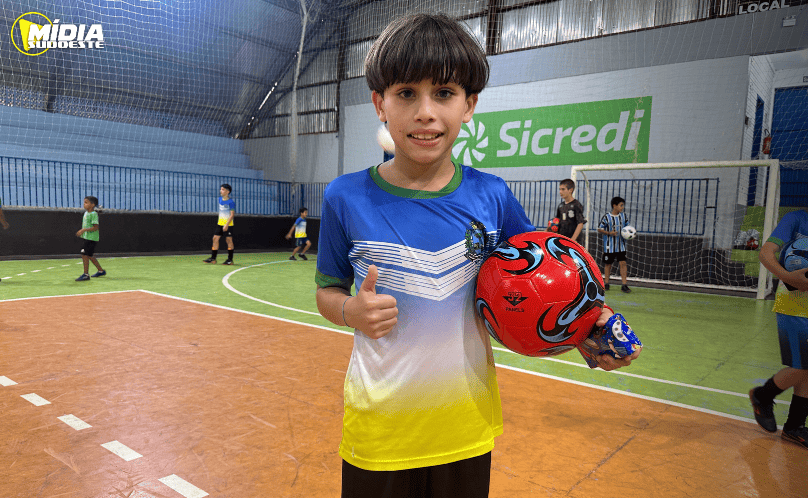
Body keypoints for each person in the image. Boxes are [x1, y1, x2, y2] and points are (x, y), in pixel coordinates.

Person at [314, 13, 640, 498]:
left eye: (444, 93)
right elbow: (326, 290)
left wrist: (592, 326)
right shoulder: (345, 196)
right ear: (380, 103)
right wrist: (349, 310)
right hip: (379, 427)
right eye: (407, 94)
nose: (426, 112)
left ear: (469, 105)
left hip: (465, 426)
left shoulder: (492, 196)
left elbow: (549, 278)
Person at [749, 208, 808, 450]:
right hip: (794, 308)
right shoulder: (796, 219)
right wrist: (788, 277)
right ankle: (763, 395)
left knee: (806, 370)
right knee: (800, 366)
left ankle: (794, 427)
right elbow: (766, 253)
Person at [597, 196, 631, 293]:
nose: (622, 207)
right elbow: (600, 229)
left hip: (621, 245)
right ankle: (606, 283)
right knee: (608, 264)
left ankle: (624, 285)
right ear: (614, 206)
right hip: (609, 247)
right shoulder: (607, 217)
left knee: (623, 263)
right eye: (621, 205)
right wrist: (609, 233)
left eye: (623, 205)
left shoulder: (624, 216)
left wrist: (629, 234)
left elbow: (628, 228)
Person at [75, 196, 106, 281]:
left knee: (84, 254)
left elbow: (95, 227)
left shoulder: (93, 214)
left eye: (86, 202)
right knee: (89, 255)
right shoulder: (86, 213)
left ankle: (85, 274)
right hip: (87, 237)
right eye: (84, 202)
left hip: (92, 238)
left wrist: (83, 230)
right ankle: (101, 271)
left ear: (92, 205)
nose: (84, 204)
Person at [203, 184, 235, 265]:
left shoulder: (231, 202)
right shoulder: (220, 199)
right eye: (221, 189)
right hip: (220, 224)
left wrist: (226, 225)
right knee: (215, 239)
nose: (221, 191)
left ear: (228, 192)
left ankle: (230, 260)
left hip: (228, 225)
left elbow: (232, 215)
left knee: (229, 240)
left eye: (223, 189)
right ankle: (213, 258)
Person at [555, 178, 585, 245]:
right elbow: (557, 221)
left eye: (563, 189)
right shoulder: (561, 206)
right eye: (559, 189)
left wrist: (573, 240)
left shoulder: (576, 205)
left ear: (570, 190)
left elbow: (580, 224)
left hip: (573, 241)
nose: (560, 192)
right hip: (562, 240)